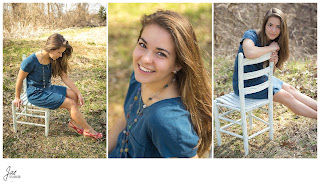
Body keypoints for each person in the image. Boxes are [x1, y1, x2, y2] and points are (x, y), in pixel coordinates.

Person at [108, 10, 212, 158]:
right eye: (143, 45)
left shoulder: (166, 120)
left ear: (177, 65)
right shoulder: (140, 78)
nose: (145, 59)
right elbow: (126, 117)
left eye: (161, 53)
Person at [13, 33, 103, 139]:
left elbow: (65, 77)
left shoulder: (53, 59)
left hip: (48, 88)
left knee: (73, 95)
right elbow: (19, 79)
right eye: (59, 52)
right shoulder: (30, 61)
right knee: (71, 104)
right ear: (51, 48)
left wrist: (78, 93)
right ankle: (89, 131)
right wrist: (17, 97)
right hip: (36, 94)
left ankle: (74, 123)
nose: (60, 55)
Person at [233, 8, 317, 119]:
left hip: (261, 79)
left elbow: (269, 74)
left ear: (283, 29)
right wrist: (270, 48)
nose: (273, 30)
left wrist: (273, 63)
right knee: (287, 96)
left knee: (291, 89)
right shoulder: (251, 35)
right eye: (270, 25)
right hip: (244, 85)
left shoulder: (275, 43)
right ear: (264, 25)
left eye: (278, 27)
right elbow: (249, 52)